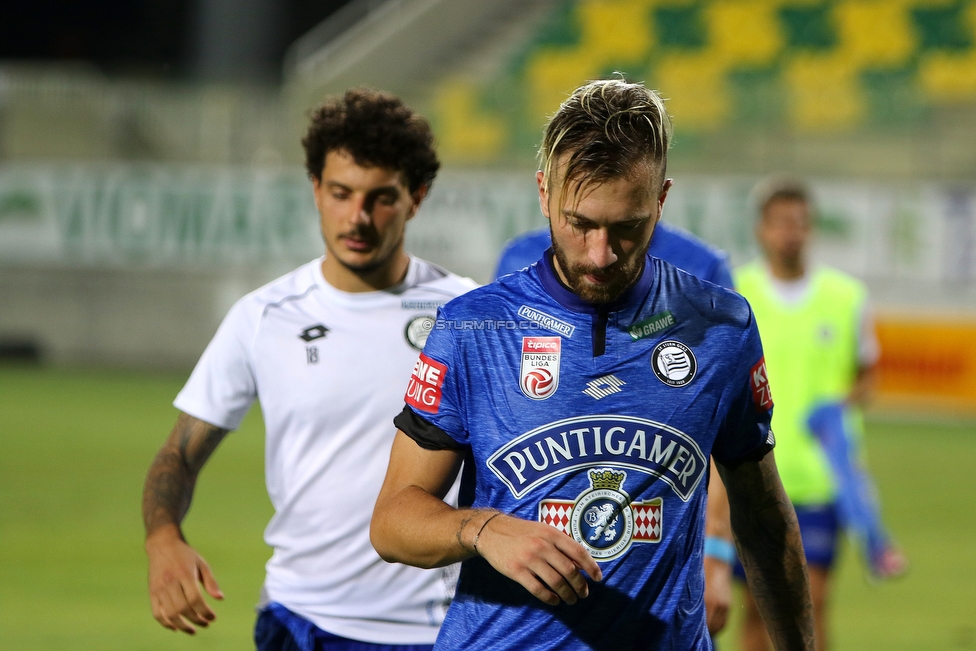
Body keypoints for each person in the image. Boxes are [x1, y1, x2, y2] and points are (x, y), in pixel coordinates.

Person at [370, 79, 814, 650]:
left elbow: (764, 517)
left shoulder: (720, 327)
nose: (600, 255)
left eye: (626, 227)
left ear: (660, 200)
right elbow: (392, 520)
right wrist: (483, 530)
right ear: (543, 193)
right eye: (579, 223)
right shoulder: (472, 328)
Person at [141, 88, 476, 650]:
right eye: (341, 193)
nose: (358, 217)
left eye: (381, 198)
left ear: (417, 198)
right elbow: (178, 453)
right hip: (303, 624)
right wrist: (163, 538)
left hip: (441, 631)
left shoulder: (468, 314)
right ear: (316, 189)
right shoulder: (263, 316)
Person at [494, 223, 738, 638]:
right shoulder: (517, 260)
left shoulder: (703, 268)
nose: (602, 250)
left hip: (653, 557)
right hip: (540, 559)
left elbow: (719, 432)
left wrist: (715, 550)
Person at [733, 178, 907, 651]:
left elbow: (868, 373)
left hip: (822, 480)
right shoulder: (737, 295)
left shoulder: (845, 297)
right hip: (751, 474)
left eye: (801, 223)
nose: (792, 232)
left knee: (813, 601)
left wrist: (841, 405)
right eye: (781, 223)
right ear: (762, 230)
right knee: (755, 603)